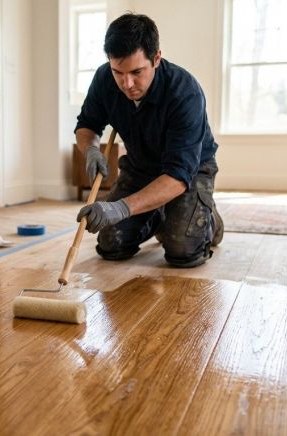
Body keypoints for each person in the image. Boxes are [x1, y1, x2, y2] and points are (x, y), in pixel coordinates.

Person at [75, 12, 223, 268]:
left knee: (182, 250)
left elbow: (177, 176)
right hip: (141, 165)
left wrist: (120, 208)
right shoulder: (104, 79)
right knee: (111, 243)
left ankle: (209, 220)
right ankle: (158, 212)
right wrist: (90, 150)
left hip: (190, 170)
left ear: (156, 59)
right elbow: (87, 126)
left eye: (136, 71)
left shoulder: (185, 92)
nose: (127, 83)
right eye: (118, 72)